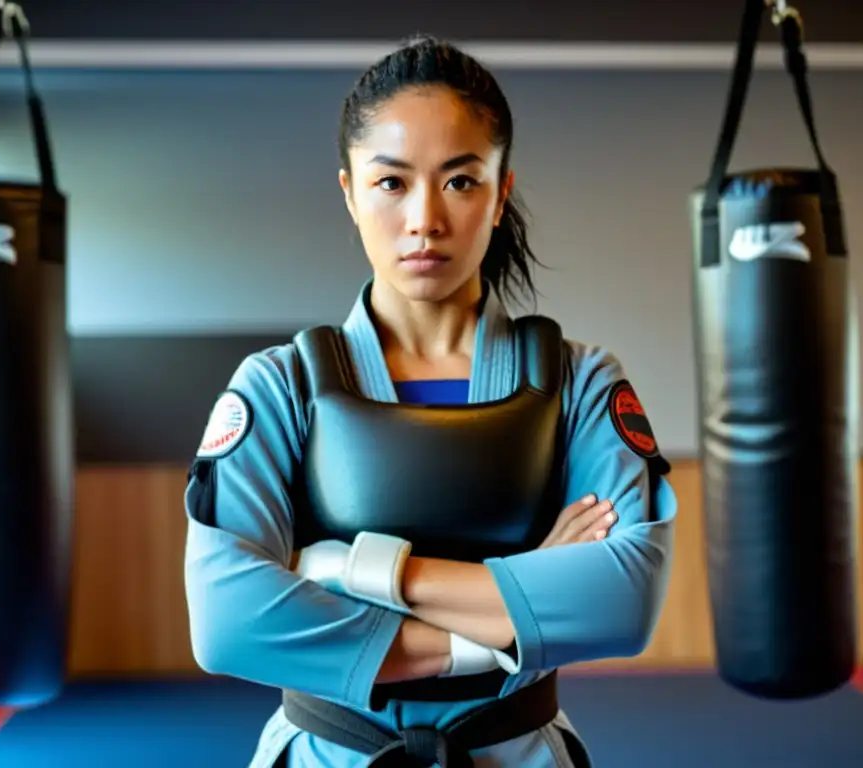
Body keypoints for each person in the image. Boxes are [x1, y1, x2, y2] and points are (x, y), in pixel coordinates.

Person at [184, 35, 678, 768]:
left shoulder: (579, 382)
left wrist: (350, 572)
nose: (424, 219)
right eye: (391, 183)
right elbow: (229, 622)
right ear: (350, 192)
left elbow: (623, 602)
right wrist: (513, 606)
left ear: (501, 191)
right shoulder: (278, 386)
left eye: (460, 181)